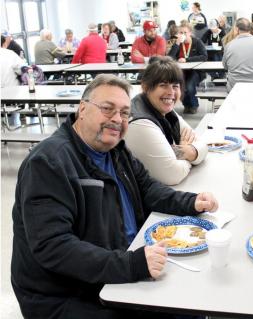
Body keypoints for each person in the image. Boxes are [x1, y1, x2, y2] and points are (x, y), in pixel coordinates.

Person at [11, 74, 219, 319]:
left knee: (192, 303)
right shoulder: (49, 163)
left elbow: (148, 189)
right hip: (67, 294)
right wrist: (131, 265)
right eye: (107, 109)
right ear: (82, 109)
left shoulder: (115, 150)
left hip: (113, 264)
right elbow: (53, 247)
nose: (117, 120)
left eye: (124, 113)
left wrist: (191, 201)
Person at [125, 57, 208, 185]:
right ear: (146, 87)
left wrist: (190, 151)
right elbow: (172, 175)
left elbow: (202, 144)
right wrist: (187, 155)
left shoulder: (165, 109)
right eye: (163, 85)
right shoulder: (139, 123)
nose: (171, 92)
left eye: (175, 86)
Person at [168, 21, 207, 114]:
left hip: (195, 71)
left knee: (189, 86)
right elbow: (170, 58)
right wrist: (177, 44)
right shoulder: (177, 43)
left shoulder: (197, 42)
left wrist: (187, 59)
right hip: (181, 71)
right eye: (181, 32)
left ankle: (193, 105)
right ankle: (187, 105)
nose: (183, 34)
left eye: (185, 32)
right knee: (181, 88)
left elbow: (204, 56)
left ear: (190, 33)